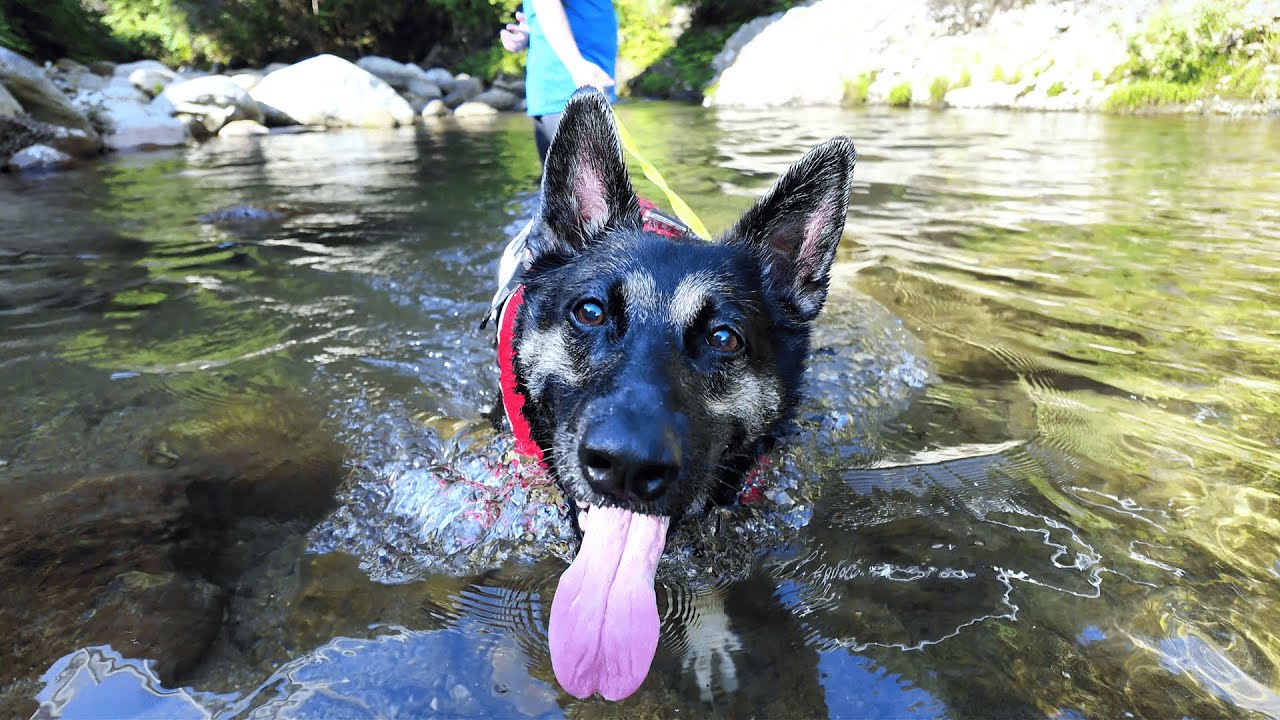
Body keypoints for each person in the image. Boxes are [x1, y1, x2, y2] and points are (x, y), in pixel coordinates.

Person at [499, 1, 618, 165]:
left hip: (576, 89)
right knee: (588, 187)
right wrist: (577, 67)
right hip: (569, 90)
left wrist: (529, 29)